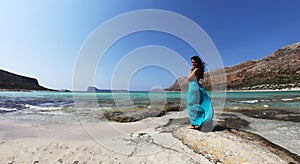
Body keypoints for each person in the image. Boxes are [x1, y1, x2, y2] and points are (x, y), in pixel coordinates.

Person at [186, 56, 214, 130]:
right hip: (193, 86)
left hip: (194, 87)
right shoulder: (195, 69)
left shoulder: (197, 69)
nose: (193, 63)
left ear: (197, 62)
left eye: (194, 62)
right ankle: (196, 123)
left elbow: (188, 79)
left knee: (192, 104)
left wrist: (191, 70)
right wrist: (191, 70)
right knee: (192, 104)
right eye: (192, 62)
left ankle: (195, 123)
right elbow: (189, 79)